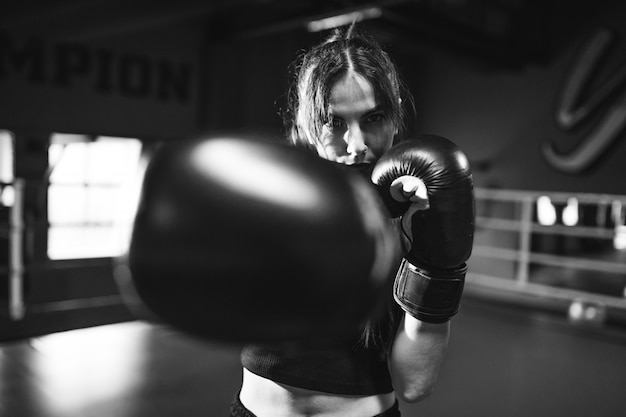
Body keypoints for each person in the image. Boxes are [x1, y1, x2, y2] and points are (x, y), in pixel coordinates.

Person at [231, 24, 473, 417]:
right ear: (309, 126)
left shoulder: (416, 216)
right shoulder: (275, 202)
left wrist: (433, 259)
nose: (357, 145)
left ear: (394, 118)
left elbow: (414, 383)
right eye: (335, 122)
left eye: (373, 118)